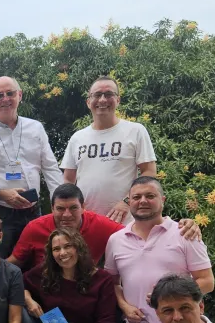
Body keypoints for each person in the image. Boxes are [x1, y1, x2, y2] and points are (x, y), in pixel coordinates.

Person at [104, 176, 214, 323]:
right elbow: (112, 283)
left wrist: (169, 296)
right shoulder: (116, 240)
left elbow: (207, 281)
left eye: (150, 196)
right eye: (136, 197)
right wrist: (124, 306)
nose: (143, 201)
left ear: (162, 200)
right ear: (129, 202)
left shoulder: (185, 234)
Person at [0, 76, 64, 257]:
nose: (5, 99)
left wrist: (60, 204)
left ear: (20, 95)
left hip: (34, 211)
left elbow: (50, 169)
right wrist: (2, 194)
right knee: (0, 264)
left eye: (10, 93)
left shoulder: (36, 128)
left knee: (39, 263)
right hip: (1, 214)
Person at [60, 76, 157, 222]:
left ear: (118, 100)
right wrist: (74, 207)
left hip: (124, 220)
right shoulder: (77, 138)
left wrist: (127, 202)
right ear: (88, 102)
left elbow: (149, 172)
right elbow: (68, 179)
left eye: (109, 94)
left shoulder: (136, 131)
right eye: (97, 95)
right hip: (86, 221)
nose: (102, 100)